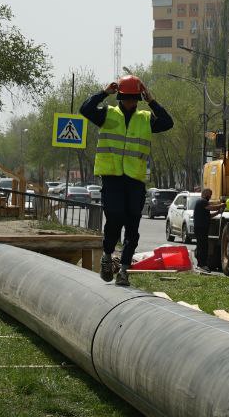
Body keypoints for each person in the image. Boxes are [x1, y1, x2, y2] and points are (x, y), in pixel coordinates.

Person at [80, 76, 173, 287]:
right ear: (120, 97)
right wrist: (103, 93)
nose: (131, 102)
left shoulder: (145, 118)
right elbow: (85, 109)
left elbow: (168, 122)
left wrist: (152, 101)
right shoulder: (107, 114)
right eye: (127, 98)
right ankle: (106, 256)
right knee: (114, 217)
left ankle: (123, 269)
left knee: (132, 225)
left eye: (134, 98)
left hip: (135, 180)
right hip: (112, 176)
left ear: (139, 99)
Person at [191, 187, 215, 273]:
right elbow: (211, 208)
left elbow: (209, 216)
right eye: (209, 194)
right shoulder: (203, 201)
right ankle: (201, 265)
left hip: (201, 228)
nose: (210, 196)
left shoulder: (202, 202)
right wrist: (221, 205)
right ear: (205, 194)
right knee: (203, 246)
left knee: (202, 246)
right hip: (201, 228)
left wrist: (218, 212)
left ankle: (200, 264)